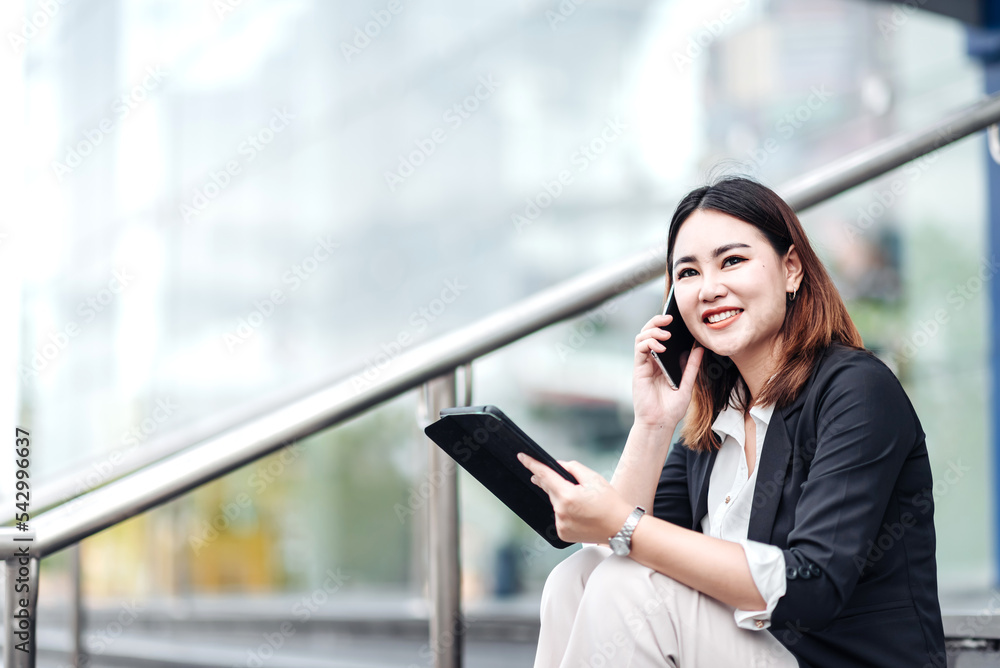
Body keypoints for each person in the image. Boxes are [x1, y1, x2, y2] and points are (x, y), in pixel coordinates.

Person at [519, 176, 946, 668]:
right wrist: (653, 424)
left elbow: (814, 586)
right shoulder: (715, 422)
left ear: (791, 269)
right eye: (688, 273)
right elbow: (625, 547)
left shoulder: (856, 391)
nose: (710, 289)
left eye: (733, 261)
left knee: (624, 585)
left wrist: (622, 524)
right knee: (577, 577)